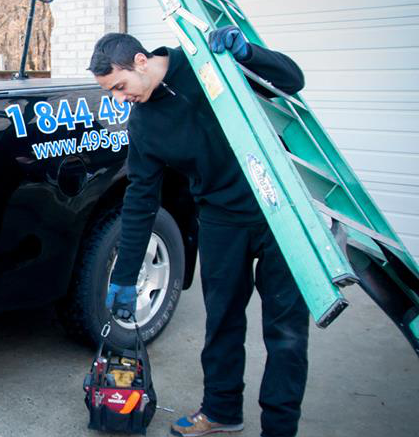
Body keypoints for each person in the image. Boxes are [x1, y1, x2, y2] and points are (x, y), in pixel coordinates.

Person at [88, 26, 309, 437]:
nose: (119, 98)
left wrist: (248, 54)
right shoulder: (143, 124)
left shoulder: (204, 62)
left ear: (140, 61)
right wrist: (124, 276)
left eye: (119, 86)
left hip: (280, 212)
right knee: (222, 321)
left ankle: (280, 429)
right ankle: (222, 410)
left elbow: (293, 81)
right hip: (221, 219)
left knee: (286, 331)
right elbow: (140, 199)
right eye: (111, 92)